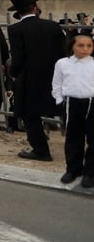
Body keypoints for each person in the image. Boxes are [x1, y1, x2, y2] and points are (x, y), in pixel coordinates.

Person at [7, 0, 66, 161]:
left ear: (18, 12)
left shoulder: (15, 29)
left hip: (29, 78)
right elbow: (63, 52)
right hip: (55, 76)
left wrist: (14, 74)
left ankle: (41, 150)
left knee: (30, 114)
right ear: (34, 7)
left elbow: (18, 57)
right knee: (65, 111)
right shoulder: (53, 26)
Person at [51, 31, 94, 186]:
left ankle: (90, 173)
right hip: (72, 103)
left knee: (93, 139)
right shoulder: (63, 64)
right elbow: (57, 83)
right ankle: (73, 169)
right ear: (72, 46)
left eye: (89, 45)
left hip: (91, 102)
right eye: (81, 45)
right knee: (73, 138)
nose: (85, 49)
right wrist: (59, 100)